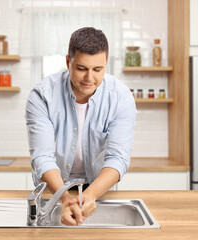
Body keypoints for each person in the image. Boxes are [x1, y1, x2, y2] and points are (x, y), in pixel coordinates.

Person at [25, 27, 136, 226]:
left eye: (97, 69)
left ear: (106, 64)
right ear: (68, 62)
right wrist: (65, 198)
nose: (89, 78)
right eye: (81, 69)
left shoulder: (121, 98)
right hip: (53, 191)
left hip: (99, 191)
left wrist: (91, 194)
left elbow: (118, 158)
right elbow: (42, 157)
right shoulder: (42, 96)